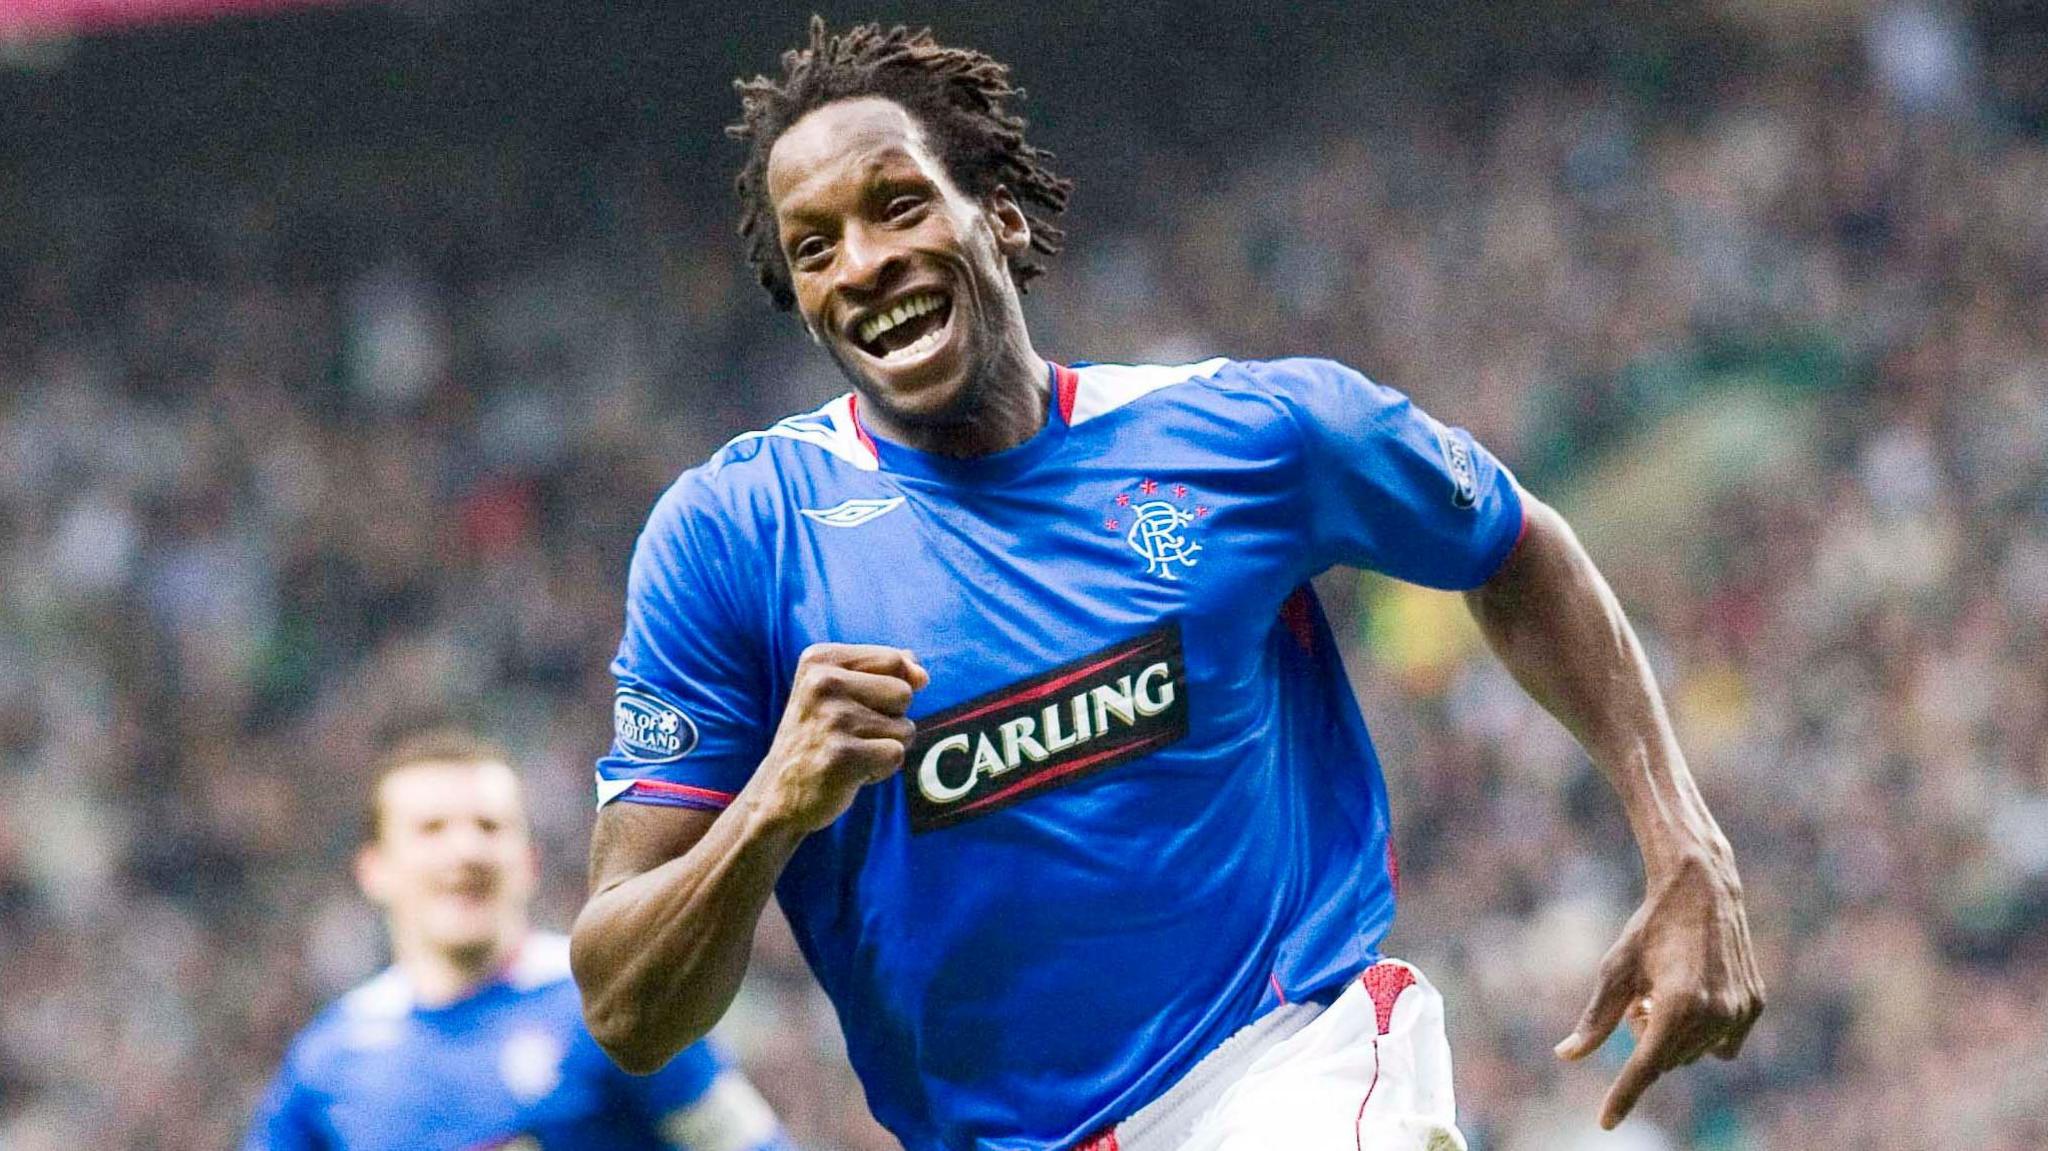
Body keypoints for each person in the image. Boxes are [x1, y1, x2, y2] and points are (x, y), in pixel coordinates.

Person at [571, 19, 1764, 1151]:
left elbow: (1510, 542)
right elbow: (627, 1008)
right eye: (815, 246)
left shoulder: (1249, 431)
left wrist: (1681, 841)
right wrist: (771, 806)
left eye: (898, 205)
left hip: (1286, 1061)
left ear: (1000, 219)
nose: (865, 262)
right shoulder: (732, 539)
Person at [245, 730, 792, 1151]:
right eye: (431, 828)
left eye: (489, 827)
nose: (466, 851)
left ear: (529, 861)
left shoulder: (612, 1006)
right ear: (374, 869)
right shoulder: (328, 1061)